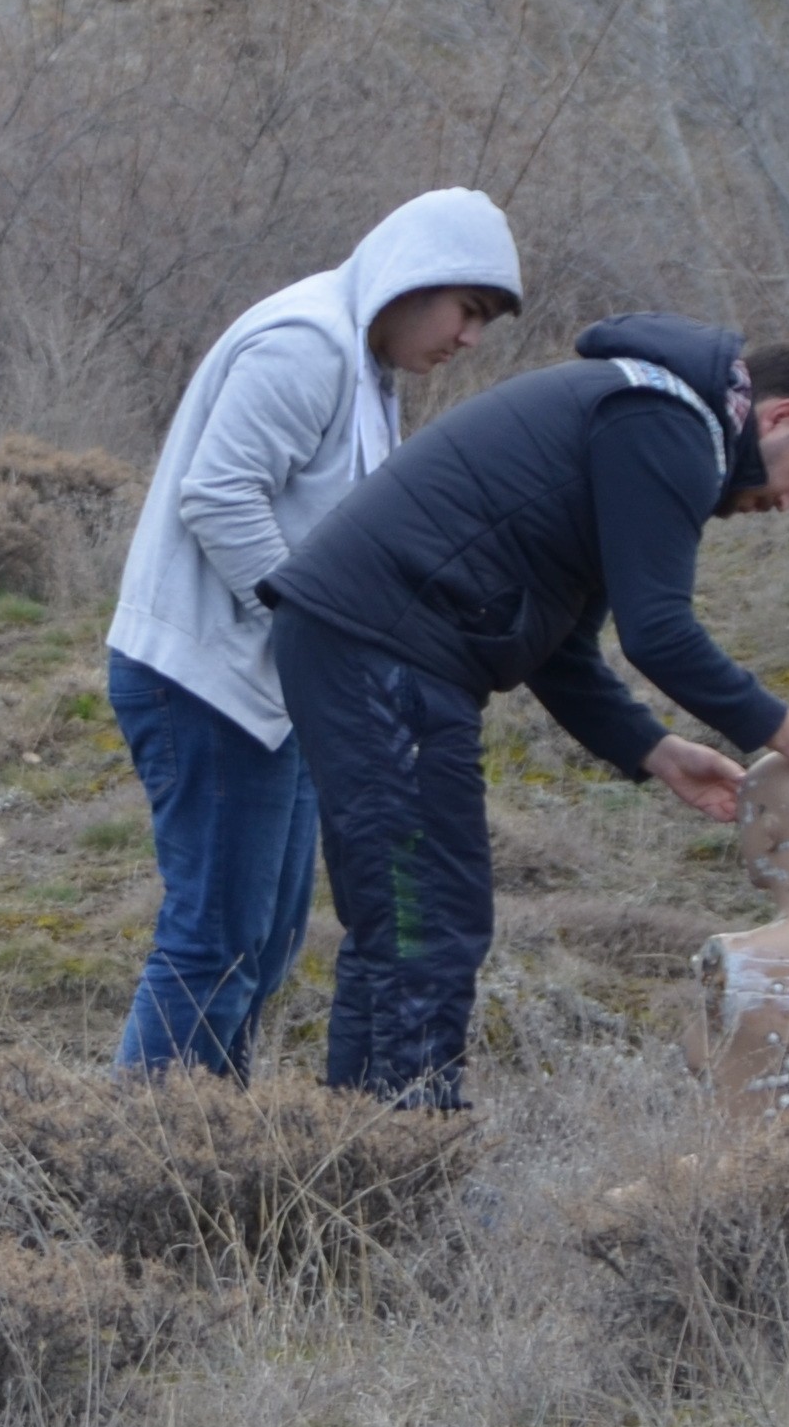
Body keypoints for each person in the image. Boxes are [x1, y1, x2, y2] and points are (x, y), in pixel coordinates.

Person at [262, 316, 789, 1108]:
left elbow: (560, 650)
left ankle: (359, 1146)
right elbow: (660, 633)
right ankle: (402, 1155)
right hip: (383, 648)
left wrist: (654, 750)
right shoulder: (668, 424)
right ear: (777, 416)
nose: (788, 502)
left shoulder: (646, 416)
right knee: (427, 921)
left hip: (372, 645)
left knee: (411, 919)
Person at [101, 189, 525, 1077]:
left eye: (485, 322)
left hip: (278, 690)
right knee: (214, 941)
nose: (470, 338)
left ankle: (213, 1157)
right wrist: (310, 630)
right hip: (206, 681)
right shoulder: (309, 345)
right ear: (416, 278)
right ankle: (135, 1173)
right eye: (469, 311)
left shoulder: (366, 368)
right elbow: (219, 495)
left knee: (266, 940)